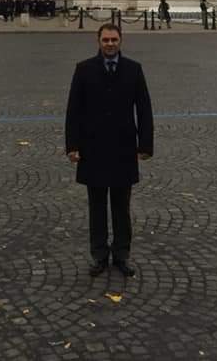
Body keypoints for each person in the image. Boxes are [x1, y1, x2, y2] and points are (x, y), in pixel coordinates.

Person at [65, 23, 154, 278]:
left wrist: (145, 145)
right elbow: (73, 110)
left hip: (123, 147)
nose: (110, 44)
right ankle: (99, 255)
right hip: (92, 147)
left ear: (121, 41)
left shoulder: (134, 69)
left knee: (121, 207)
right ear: (98, 41)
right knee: (97, 207)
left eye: (114, 39)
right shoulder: (83, 69)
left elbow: (144, 109)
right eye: (106, 40)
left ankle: (122, 254)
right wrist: (72, 146)